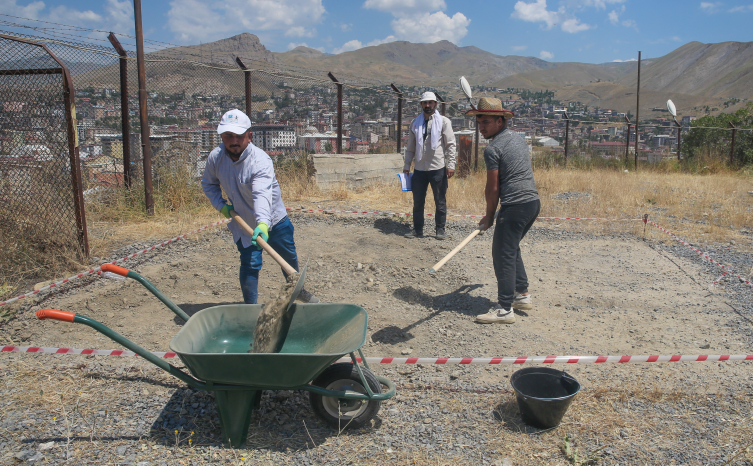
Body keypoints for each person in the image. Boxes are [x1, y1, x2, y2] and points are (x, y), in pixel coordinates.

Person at [201, 109, 318, 305]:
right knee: (250, 264)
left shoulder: (260, 160)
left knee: (288, 257)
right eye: (229, 136)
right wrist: (221, 206)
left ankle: (296, 290)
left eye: (239, 135)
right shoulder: (216, 158)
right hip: (243, 222)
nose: (234, 141)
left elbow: (261, 195)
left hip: (274, 219)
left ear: (250, 136)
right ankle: (250, 308)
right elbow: (208, 184)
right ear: (221, 136)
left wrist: (263, 224)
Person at [468, 98, 540, 324]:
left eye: (486, 123)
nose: (481, 128)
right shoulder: (517, 139)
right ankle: (522, 295)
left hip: (515, 206)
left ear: (500, 121)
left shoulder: (493, 149)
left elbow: (493, 188)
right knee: (511, 248)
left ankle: (504, 309)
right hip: (532, 204)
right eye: (479, 123)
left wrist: (489, 216)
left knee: (503, 254)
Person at [403, 91, 457, 240]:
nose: (428, 105)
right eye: (425, 103)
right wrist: (407, 165)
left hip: (437, 167)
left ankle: (440, 229)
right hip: (420, 168)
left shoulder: (444, 122)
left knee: (440, 200)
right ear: (421, 104)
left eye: (430, 103)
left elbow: (451, 145)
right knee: (418, 201)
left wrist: (451, 164)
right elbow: (411, 147)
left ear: (435, 104)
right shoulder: (415, 123)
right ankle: (417, 229)